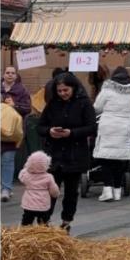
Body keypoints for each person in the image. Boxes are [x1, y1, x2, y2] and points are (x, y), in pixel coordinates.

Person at [37, 72, 96, 233]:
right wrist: (50, 131)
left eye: (66, 90)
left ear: (73, 88)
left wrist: (72, 133)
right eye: (60, 91)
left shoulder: (84, 103)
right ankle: (44, 221)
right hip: (54, 155)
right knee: (49, 190)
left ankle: (66, 221)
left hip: (74, 155)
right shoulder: (52, 104)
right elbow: (40, 126)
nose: (63, 93)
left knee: (71, 192)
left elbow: (92, 127)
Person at [92, 66, 130, 202]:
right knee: (119, 159)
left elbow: (97, 107)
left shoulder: (107, 89)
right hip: (125, 125)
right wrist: (126, 115)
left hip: (108, 124)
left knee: (105, 158)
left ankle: (107, 189)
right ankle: (117, 191)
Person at [2, 66, 32, 202]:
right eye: (7, 73)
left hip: (12, 132)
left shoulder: (22, 91)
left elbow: (27, 109)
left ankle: (6, 189)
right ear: (3, 74)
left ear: (16, 76)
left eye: (12, 73)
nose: (10, 75)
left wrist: (14, 105)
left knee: (7, 161)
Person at [18, 151, 59, 226]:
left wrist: (26, 168)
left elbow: (21, 176)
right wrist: (55, 195)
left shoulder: (26, 175)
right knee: (44, 221)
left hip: (29, 204)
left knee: (26, 220)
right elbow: (54, 190)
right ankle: (44, 232)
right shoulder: (49, 177)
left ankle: (25, 231)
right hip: (43, 205)